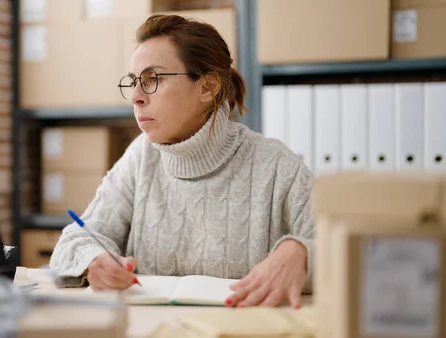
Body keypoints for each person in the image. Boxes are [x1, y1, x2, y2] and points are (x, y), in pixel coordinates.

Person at [49, 14, 314, 309]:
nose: (136, 97)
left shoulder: (276, 165)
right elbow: (75, 239)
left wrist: (301, 252)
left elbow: (348, 250)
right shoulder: (141, 157)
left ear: (207, 86)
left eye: (153, 80)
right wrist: (93, 260)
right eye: (134, 82)